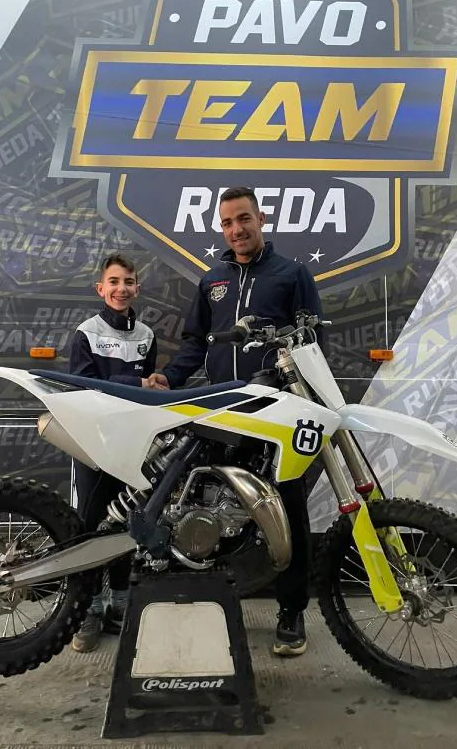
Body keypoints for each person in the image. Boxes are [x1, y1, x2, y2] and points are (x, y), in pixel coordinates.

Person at [148, 186, 324, 657]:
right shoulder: (213, 280)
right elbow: (193, 344)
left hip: (275, 417)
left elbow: (312, 343)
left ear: (261, 219)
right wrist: (169, 376)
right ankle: (212, 600)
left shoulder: (292, 273)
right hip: (222, 411)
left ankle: (291, 612)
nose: (236, 230)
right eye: (227, 223)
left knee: (288, 511)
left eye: (243, 219)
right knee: (211, 507)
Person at [69, 253, 165, 652]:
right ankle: (87, 611)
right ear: (100, 289)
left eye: (128, 281)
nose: (121, 288)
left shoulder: (146, 334)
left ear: (137, 288)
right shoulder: (86, 332)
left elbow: (145, 394)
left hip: (133, 444)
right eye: (114, 281)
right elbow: (82, 386)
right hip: (93, 443)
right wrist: (139, 381)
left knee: (126, 523)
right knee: (89, 527)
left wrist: (152, 385)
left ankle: (119, 605)